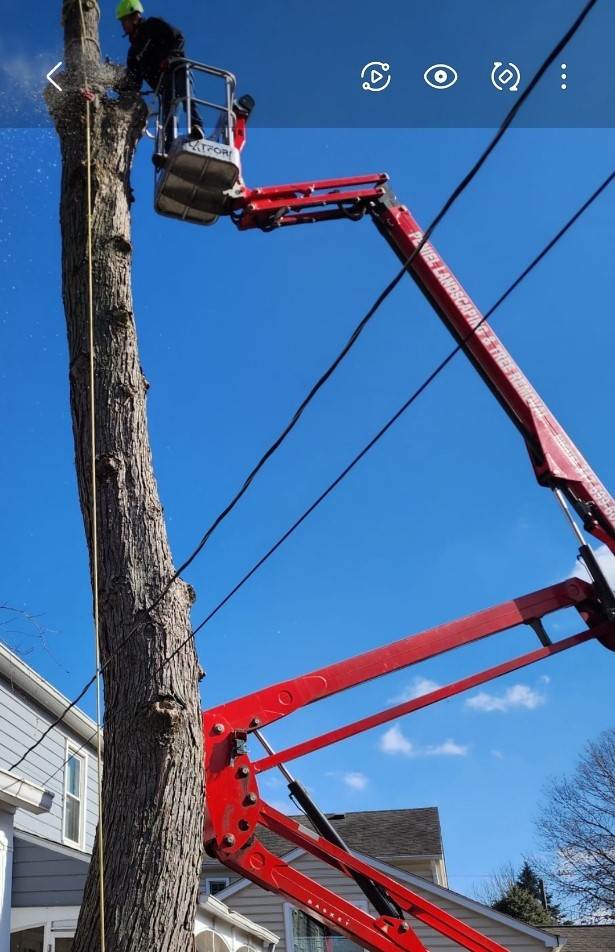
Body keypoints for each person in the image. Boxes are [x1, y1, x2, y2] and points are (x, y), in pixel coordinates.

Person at [116, 0, 205, 149]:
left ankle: (197, 127)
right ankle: (170, 147)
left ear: (135, 17)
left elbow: (178, 38)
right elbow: (134, 80)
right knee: (169, 115)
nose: (123, 25)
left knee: (185, 94)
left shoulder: (153, 25)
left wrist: (169, 59)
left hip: (177, 69)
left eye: (124, 20)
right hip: (164, 85)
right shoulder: (133, 53)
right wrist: (120, 86)